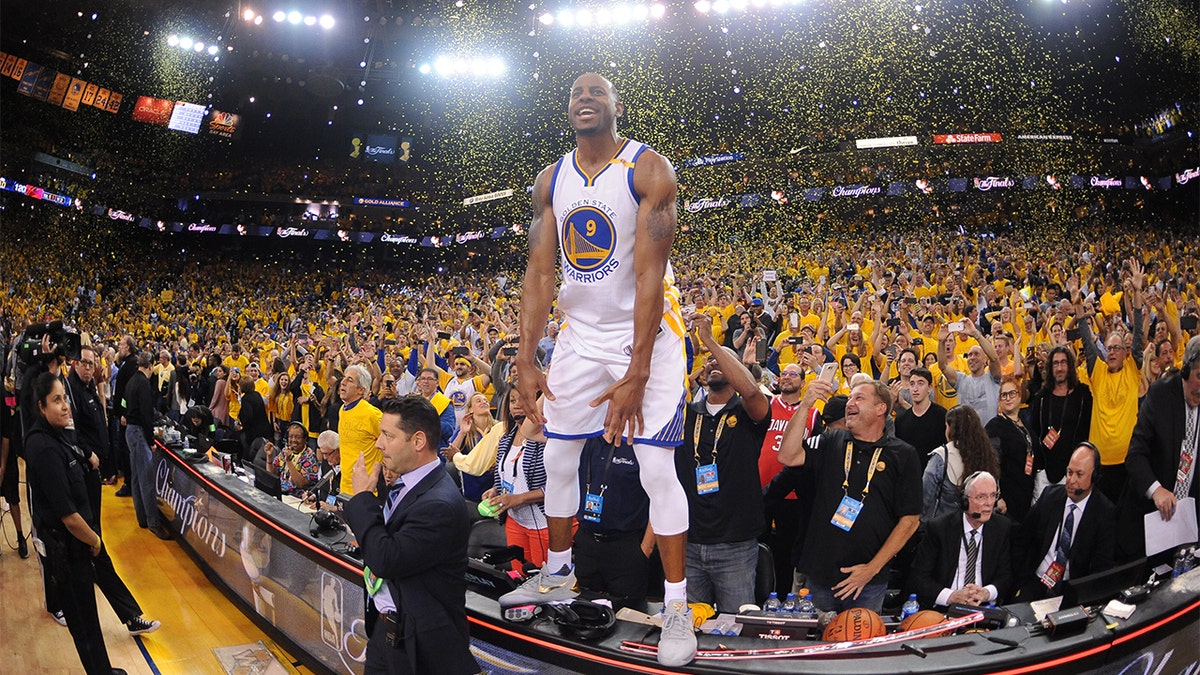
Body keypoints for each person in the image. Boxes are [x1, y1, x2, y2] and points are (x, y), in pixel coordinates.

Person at [508, 72, 695, 666]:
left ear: (616, 106)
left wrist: (637, 370)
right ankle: (558, 574)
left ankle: (675, 608)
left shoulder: (648, 171)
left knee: (656, 468)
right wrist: (525, 359)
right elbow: (539, 276)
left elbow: (648, 278)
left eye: (597, 93)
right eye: (575, 94)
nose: (584, 99)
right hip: (581, 337)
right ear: (568, 111)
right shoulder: (550, 180)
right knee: (559, 456)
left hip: (647, 337)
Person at [344, 395, 479, 675]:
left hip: (420, 647)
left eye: (387, 435)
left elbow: (385, 559)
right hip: (388, 630)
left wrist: (361, 499)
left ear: (417, 441)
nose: (378, 443)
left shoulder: (438, 505)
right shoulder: (406, 484)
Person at [778, 378, 922, 614]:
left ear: (880, 408)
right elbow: (787, 455)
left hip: (866, 582)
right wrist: (804, 406)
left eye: (859, 398)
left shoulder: (903, 454)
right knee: (815, 647)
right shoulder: (831, 440)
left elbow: (910, 521)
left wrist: (871, 569)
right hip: (820, 576)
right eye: (850, 398)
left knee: (860, 648)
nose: (849, 403)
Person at [25, 372, 136, 674]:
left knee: (88, 619)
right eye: (56, 400)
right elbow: (68, 517)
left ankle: (103, 670)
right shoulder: (44, 448)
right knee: (84, 626)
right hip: (69, 550)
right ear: (41, 406)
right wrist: (96, 542)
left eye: (64, 398)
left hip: (77, 549)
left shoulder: (57, 437)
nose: (64, 406)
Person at [674, 316, 771, 612]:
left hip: (735, 544)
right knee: (690, 626)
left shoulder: (747, 411)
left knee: (736, 628)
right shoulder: (688, 413)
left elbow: (752, 390)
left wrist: (713, 344)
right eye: (711, 362)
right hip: (688, 540)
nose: (714, 364)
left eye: (723, 361)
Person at [1117, 335, 1200, 562]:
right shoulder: (1161, 394)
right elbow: (1135, 455)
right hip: (1147, 522)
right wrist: (1157, 490)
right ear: (1185, 371)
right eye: (1199, 376)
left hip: (1187, 528)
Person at [1077, 259, 1145, 504]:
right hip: (1100, 462)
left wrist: (1137, 292)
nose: (1114, 351)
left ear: (1126, 352)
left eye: (1118, 347)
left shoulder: (1132, 368)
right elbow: (1086, 338)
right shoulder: (1098, 371)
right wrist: (1077, 305)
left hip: (1129, 460)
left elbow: (1137, 334)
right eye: (1110, 348)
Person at [1014, 444, 1116, 600]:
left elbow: (1101, 568)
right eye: (1069, 472)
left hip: (1073, 592)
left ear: (1094, 476)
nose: (1071, 480)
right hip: (1035, 583)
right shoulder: (1049, 496)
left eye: (1079, 474)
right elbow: (1021, 540)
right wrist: (1022, 581)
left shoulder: (1104, 512)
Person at [910, 471, 1014, 609]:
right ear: (964, 501)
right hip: (945, 607)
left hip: (984, 607)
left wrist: (986, 593)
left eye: (993, 496)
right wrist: (951, 596)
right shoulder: (940, 528)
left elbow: (1006, 575)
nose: (989, 503)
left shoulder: (1002, 528)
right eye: (981, 497)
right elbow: (920, 577)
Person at [572, 436, 653, 611]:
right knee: (584, 613)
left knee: (628, 617)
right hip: (587, 543)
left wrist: (646, 548)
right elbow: (529, 431)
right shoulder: (584, 437)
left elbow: (661, 497)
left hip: (626, 547)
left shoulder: (640, 444)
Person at [481, 391, 551, 572]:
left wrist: (520, 498)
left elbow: (558, 487)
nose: (516, 404)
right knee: (517, 576)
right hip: (514, 520)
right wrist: (496, 489)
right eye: (512, 400)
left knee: (539, 582)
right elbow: (508, 474)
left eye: (523, 399)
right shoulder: (505, 439)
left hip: (543, 522)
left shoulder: (548, 438)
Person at [1027, 346, 1093, 498]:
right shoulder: (1042, 397)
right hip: (1044, 472)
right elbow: (1034, 430)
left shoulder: (1082, 395)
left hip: (1073, 470)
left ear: (1070, 366)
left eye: (1063, 363)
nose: (1060, 368)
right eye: (1055, 364)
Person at [923, 405, 1001, 522]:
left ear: (950, 429)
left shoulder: (941, 456)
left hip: (946, 530)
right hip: (981, 528)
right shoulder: (988, 455)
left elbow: (926, 498)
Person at [124, 351, 171, 540]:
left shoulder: (130, 381)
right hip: (139, 433)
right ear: (150, 367)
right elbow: (145, 414)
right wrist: (151, 440)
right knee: (146, 479)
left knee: (136, 477)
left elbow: (124, 403)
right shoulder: (143, 383)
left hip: (130, 431)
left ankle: (142, 518)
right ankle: (153, 522)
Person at [986, 375, 1036, 524]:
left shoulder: (1024, 422)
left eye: (1012, 393)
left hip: (1026, 492)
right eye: (1004, 395)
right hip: (1007, 499)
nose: (1008, 398)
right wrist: (998, 497)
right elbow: (990, 464)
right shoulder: (995, 426)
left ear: (1020, 396)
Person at [937, 321, 1002, 425]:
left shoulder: (993, 377)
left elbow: (994, 358)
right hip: (967, 436)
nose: (972, 358)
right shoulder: (961, 380)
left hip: (990, 435)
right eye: (969, 355)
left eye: (976, 354)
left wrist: (976, 334)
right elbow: (943, 366)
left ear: (985, 360)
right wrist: (941, 342)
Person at [337, 364, 382, 496]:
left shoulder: (372, 414)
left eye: (350, 380)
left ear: (361, 390)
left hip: (365, 490)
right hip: (345, 486)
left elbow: (392, 443)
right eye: (344, 378)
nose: (343, 382)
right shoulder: (342, 409)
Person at [894, 367, 947, 470]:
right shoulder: (901, 420)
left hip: (936, 475)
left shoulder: (942, 416)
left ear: (930, 388)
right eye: (912, 384)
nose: (915, 389)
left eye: (920, 383)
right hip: (909, 476)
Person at [267, 422, 320, 494]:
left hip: (297, 497)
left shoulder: (310, 457)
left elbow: (301, 484)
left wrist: (288, 461)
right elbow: (272, 474)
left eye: (298, 437)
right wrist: (269, 456)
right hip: (281, 492)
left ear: (305, 439)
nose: (294, 440)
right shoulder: (285, 451)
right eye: (291, 436)